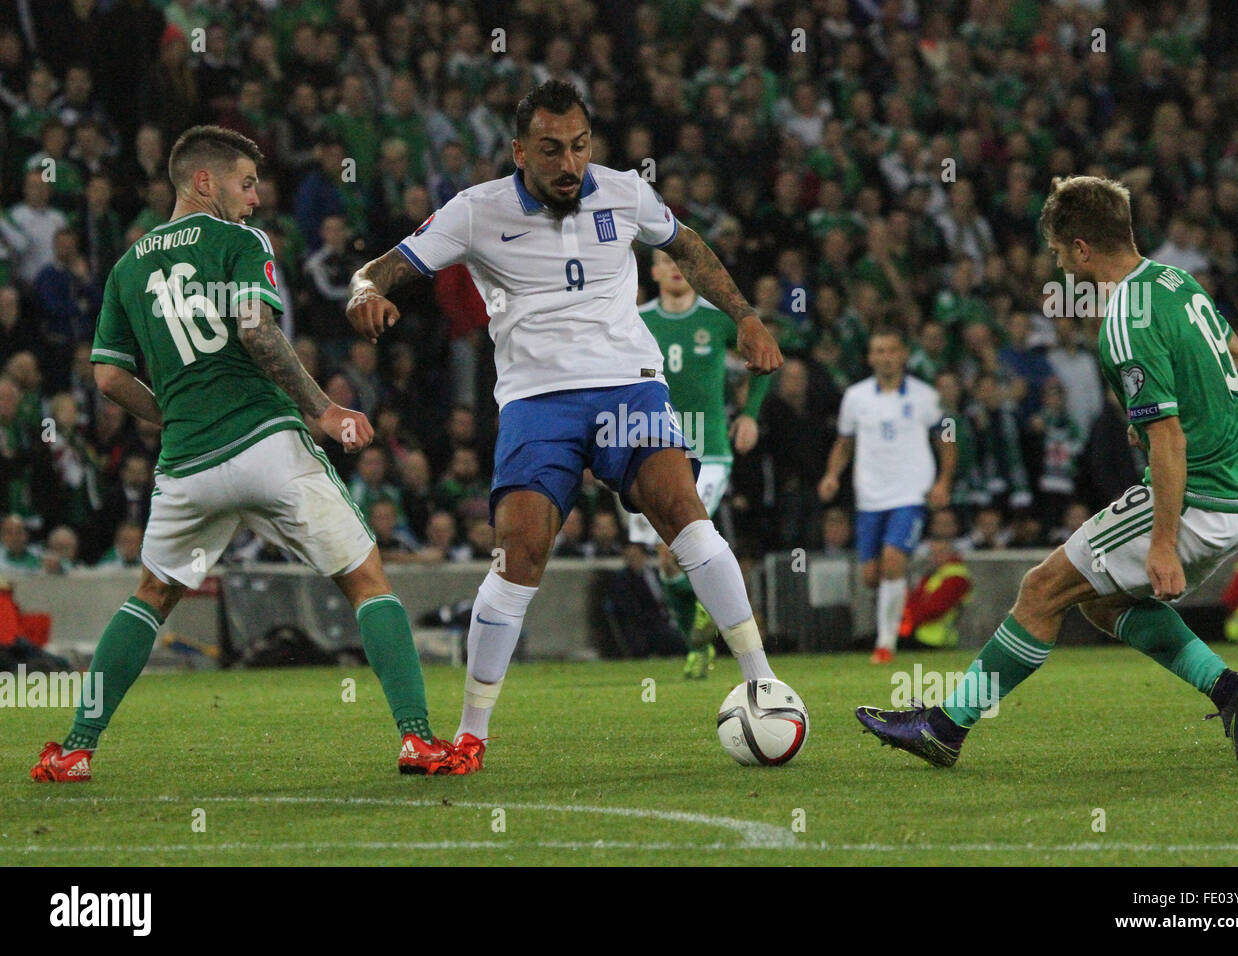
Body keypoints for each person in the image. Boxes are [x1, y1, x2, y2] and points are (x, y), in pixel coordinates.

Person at [346, 80, 784, 774]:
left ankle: (762, 682)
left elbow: (690, 246)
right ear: (521, 152)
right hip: (537, 401)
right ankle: (472, 736)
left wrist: (746, 315)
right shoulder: (475, 211)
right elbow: (384, 268)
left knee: (684, 513)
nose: (569, 164)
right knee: (518, 555)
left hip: (627, 387)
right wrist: (366, 291)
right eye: (550, 150)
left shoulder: (623, 192)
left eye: (579, 146)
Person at [31, 126, 451, 783]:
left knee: (150, 597)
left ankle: (74, 749)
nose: (255, 200)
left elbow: (108, 379)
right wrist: (323, 409)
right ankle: (418, 741)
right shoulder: (239, 241)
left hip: (187, 467)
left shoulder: (127, 267)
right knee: (366, 579)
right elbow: (256, 327)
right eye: (246, 183)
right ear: (205, 182)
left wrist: (170, 414)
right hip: (266, 446)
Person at [857, 175, 1238, 766]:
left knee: (1041, 588)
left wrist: (1162, 545)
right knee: (1099, 601)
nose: (1057, 264)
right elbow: (1228, 352)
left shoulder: (1124, 318)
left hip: (1201, 498)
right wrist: (1175, 412)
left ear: (1082, 247)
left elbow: (1169, 440)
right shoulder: (1177, 281)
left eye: (1058, 250)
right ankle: (1230, 690)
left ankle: (944, 728)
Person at [626, 247, 772, 679]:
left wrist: (749, 414)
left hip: (708, 448)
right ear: (653, 271)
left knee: (679, 542)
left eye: (680, 262)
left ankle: (704, 631)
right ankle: (698, 631)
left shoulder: (717, 318)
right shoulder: (637, 320)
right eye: (665, 262)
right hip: (653, 445)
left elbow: (763, 356)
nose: (674, 268)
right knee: (666, 558)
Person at [818, 326, 956, 664]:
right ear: (869, 357)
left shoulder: (925, 395)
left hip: (911, 492)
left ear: (903, 354)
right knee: (870, 576)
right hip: (869, 496)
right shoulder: (855, 397)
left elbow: (947, 437)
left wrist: (943, 482)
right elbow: (845, 442)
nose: (885, 357)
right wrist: (832, 475)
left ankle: (886, 642)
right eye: (878, 351)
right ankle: (898, 615)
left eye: (891, 350)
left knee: (893, 559)